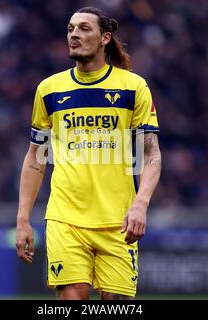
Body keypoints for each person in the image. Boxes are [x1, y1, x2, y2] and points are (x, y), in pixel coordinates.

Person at [16, 6, 161, 300]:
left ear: (105, 38)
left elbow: (150, 155)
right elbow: (35, 159)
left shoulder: (133, 88)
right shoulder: (49, 90)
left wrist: (141, 204)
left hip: (118, 222)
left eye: (84, 28)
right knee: (73, 298)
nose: (74, 35)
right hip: (65, 218)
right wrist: (22, 219)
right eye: (70, 29)